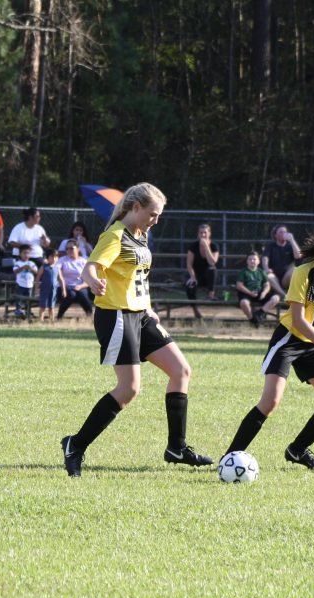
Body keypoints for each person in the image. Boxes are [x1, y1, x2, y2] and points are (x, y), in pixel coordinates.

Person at [59, 182, 211, 477]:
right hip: (116, 315)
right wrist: (92, 281)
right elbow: (90, 267)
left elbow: (139, 275)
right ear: (136, 207)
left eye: (159, 216)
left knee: (181, 371)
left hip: (141, 315)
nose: (156, 220)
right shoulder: (115, 234)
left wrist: (149, 306)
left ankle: (176, 448)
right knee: (129, 389)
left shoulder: (141, 234)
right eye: (152, 214)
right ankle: (75, 445)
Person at [222, 226, 314, 471]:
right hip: (289, 340)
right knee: (270, 402)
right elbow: (299, 320)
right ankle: (229, 458)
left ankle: (297, 451)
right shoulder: (304, 272)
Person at [236, 250, 281, 327]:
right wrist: (250, 293)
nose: (252, 261)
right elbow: (239, 285)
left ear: (258, 261)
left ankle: (259, 313)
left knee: (276, 298)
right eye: (250, 259)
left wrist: (264, 293)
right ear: (247, 261)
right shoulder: (243, 272)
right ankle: (253, 321)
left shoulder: (261, 272)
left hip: (260, 293)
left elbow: (267, 285)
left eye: (254, 259)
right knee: (244, 303)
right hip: (247, 293)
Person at [185, 223, 220, 318]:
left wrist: (206, 247)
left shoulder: (214, 246)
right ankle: (195, 310)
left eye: (205, 233)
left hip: (208, 277)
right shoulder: (193, 246)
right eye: (201, 233)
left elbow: (212, 262)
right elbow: (189, 264)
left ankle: (211, 294)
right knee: (189, 287)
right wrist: (192, 277)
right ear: (198, 234)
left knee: (212, 269)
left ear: (209, 233)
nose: (203, 235)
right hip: (195, 275)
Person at [262, 224, 303, 298]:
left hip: (286, 279)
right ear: (275, 235)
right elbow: (265, 259)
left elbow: (298, 256)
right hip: (275, 278)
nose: (284, 234)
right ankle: (284, 295)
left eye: (285, 232)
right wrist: (266, 269)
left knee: (295, 269)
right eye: (281, 232)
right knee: (269, 277)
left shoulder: (290, 246)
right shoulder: (270, 246)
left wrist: (292, 240)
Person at [56, 241, 93, 320]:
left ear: (78, 249)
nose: (69, 250)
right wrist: (64, 287)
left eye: (71, 248)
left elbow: (89, 278)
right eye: (67, 248)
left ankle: (90, 316)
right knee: (71, 294)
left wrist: (80, 286)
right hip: (64, 288)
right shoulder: (62, 260)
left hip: (80, 287)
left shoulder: (83, 261)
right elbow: (59, 275)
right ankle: (59, 317)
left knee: (82, 294)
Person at [12, 244, 37, 319]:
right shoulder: (18, 263)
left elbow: (36, 271)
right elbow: (15, 271)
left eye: (28, 253)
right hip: (20, 284)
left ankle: (28, 310)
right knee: (19, 298)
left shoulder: (32, 263)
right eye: (24, 253)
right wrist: (22, 268)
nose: (26, 255)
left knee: (28, 299)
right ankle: (18, 310)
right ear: (20, 254)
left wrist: (31, 269)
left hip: (29, 285)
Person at [38, 247, 62, 321]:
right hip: (44, 289)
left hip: (53, 290)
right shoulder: (43, 267)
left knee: (52, 306)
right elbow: (38, 277)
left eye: (56, 257)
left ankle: (52, 320)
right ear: (47, 258)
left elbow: (61, 279)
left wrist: (64, 289)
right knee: (43, 306)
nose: (54, 259)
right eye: (52, 257)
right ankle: (41, 320)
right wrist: (36, 288)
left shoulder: (57, 268)